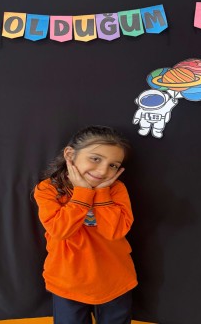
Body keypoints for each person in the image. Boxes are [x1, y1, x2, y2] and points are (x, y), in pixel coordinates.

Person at [33, 125, 137, 324]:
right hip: (68, 281)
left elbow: (115, 231)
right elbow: (60, 230)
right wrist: (83, 193)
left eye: (113, 165)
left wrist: (102, 193)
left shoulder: (116, 190)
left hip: (114, 280)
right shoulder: (48, 190)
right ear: (70, 154)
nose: (103, 171)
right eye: (95, 159)